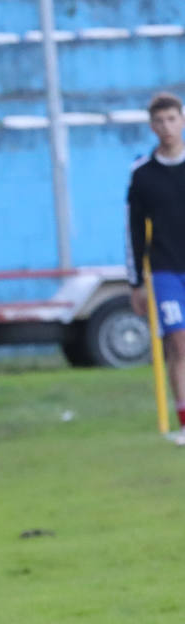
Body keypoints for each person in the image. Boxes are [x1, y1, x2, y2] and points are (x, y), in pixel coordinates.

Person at [128, 91, 185, 444]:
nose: (167, 127)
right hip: (165, 270)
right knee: (179, 345)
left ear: (182, 121)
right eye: (160, 121)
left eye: (172, 119)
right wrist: (135, 281)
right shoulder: (143, 174)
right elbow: (133, 229)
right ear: (152, 127)